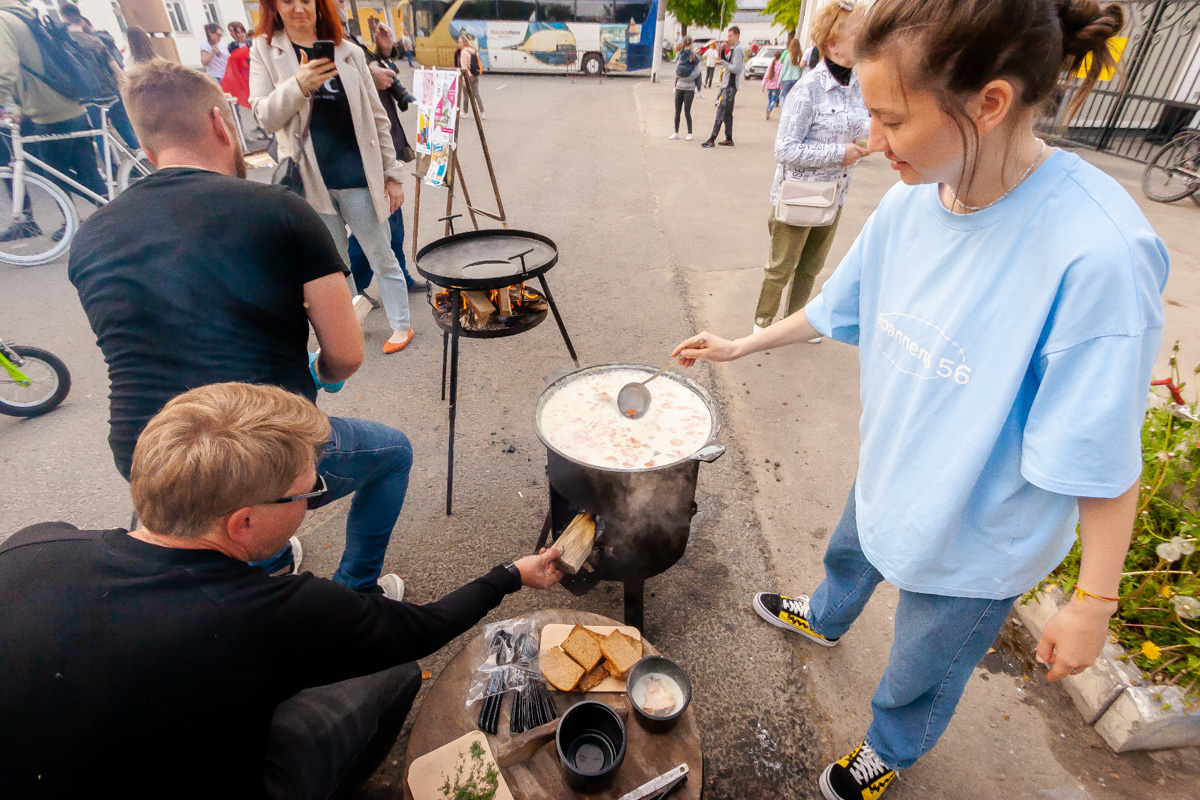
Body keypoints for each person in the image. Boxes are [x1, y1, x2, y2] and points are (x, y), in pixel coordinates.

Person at [674, 0, 1164, 797]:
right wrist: (740, 344)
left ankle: (890, 749)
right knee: (851, 550)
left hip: (978, 538)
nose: (870, 141)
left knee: (921, 667)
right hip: (892, 470)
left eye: (890, 120)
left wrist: (1094, 600)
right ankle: (826, 616)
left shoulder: (1098, 252)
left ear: (990, 102)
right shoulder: (911, 200)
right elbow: (839, 306)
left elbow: (1102, 450)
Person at [0, 381, 566, 798]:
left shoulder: (31, 546)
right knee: (392, 671)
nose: (314, 497)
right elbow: (423, 629)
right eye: (307, 491)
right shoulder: (278, 614)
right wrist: (511, 574)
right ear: (244, 523)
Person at [69, 58, 412, 597]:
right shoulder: (279, 210)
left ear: (144, 146)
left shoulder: (90, 238)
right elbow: (345, 353)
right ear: (219, 122)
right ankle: (356, 591)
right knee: (392, 453)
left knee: (222, 507)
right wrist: (319, 373)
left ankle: (267, 559)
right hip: (254, 456)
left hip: (148, 460)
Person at [251, 0, 414, 353]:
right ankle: (350, 321)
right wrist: (298, 84)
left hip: (357, 175)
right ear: (274, 7)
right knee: (334, 263)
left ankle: (401, 324)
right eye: (288, 1)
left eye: (306, 0)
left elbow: (377, 118)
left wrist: (392, 174)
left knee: (380, 254)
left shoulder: (348, 51)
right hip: (311, 182)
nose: (298, 8)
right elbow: (264, 116)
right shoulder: (266, 49)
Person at [753, 0, 868, 336]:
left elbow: (864, 128)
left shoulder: (857, 84)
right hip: (800, 193)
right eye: (858, 34)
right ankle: (761, 324)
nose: (866, 39)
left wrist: (869, 141)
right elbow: (784, 149)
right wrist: (839, 153)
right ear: (832, 44)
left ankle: (793, 324)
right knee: (781, 267)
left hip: (836, 194)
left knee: (811, 267)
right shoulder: (807, 90)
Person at [0, 0, 107, 241]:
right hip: (70, 104)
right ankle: (112, 214)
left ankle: (72, 222)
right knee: (87, 170)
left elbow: (6, 70)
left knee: (54, 174)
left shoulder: (3, 21)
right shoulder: (25, 16)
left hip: (49, 113)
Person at [347, 22, 425, 296]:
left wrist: (383, 48)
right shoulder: (321, 34)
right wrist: (369, 72)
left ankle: (399, 275)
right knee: (372, 227)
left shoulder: (347, 36)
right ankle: (352, 290)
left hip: (382, 147)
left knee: (394, 222)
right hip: (358, 153)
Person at [59, 5, 139, 151]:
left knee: (100, 135)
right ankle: (141, 158)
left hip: (91, 98)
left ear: (64, 18)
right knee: (125, 128)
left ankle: (113, 170)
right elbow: (116, 69)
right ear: (80, 18)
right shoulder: (95, 41)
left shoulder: (64, 46)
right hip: (112, 92)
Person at [701, 26, 743, 148]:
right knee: (727, 113)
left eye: (730, 36)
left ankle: (712, 138)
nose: (728, 39)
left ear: (737, 36)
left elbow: (736, 68)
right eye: (728, 36)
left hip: (730, 85)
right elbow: (727, 61)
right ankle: (728, 138)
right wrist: (723, 52)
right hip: (727, 84)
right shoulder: (734, 48)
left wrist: (723, 62)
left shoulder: (739, 49)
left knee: (721, 111)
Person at [669, 37, 701, 141]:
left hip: (689, 89)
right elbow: (676, 70)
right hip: (679, 87)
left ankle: (689, 133)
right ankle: (676, 132)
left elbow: (697, 73)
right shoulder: (683, 56)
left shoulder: (691, 56)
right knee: (677, 111)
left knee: (687, 111)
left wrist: (684, 78)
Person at [458, 32, 485, 118]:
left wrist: (463, 80)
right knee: (476, 94)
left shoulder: (463, 53)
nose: (459, 44)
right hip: (475, 75)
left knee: (466, 95)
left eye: (460, 42)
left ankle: (465, 112)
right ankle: (482, 113)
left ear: (464, 43)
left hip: (468, 76)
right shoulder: (472, 51)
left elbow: (464, 68)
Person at [778, 37, 803, 103]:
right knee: (792, 98)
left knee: (783, 96)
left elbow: (784, 69)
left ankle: (784, 112)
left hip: (787, 78)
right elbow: (801, 68)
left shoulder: (788, 55)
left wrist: (779, 81)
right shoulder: (800, 56)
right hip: (796, 79)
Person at [761, 49, 782, 120]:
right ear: (780, 57)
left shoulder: (771, 65)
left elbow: (766, 76)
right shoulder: (780, 65)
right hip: (776, 86)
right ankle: (769, 109)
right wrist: (780, 86)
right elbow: (780, 76)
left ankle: (767, 111)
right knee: (774, 100)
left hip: (769, 85)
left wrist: (763, 85)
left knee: (769, 100)